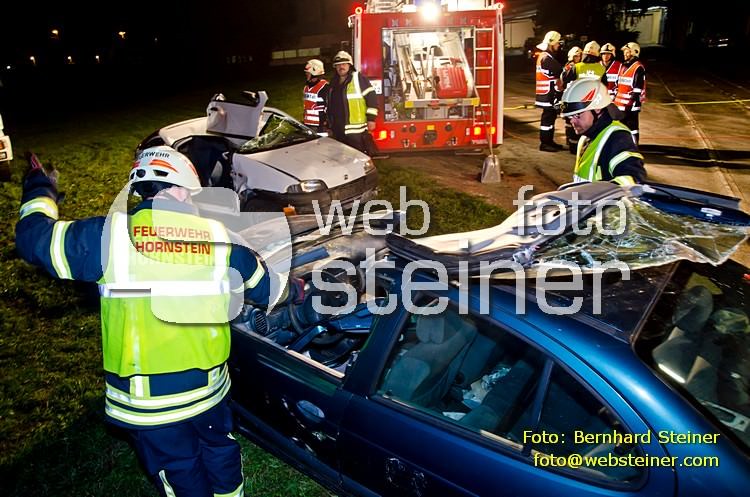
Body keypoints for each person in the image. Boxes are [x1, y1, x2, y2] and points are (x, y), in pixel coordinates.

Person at [15, 147, 298, 497]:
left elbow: (32, 238)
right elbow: (271, 289)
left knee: (179, 467)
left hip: (149, 403)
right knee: (219, 449)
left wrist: (40, 188)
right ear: (183, 189)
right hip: (208, 392)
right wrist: (302, 289)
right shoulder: (219, 237)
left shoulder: (107, 237)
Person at [560, 78, 647, 185]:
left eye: (577, 115)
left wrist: (606, 192)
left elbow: (633, 180)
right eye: (569, 117)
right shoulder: (586, 138)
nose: (572, 121)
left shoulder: (618, 138)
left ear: (597, 109)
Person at [326, 50, 378, 155]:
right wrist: (329, 124)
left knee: (357, 157)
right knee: (340, 157)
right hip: (338, 129)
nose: (341, 67)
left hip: (356, 131)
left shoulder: (359, 79)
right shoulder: (333, 82)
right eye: (338, 65)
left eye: (344, 64)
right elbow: (330, 104)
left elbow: (372, 99)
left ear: (350, 65)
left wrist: (371, 119)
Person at [534, 30, 564, 152]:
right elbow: (560, 71)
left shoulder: (546, 56)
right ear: (551, 44)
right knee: (547, 120)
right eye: (557, 43)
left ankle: (549, 142)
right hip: (548, 95)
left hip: (548, 94)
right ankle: (545, 143)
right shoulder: (546, 58)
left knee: (550, 119)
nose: (558, 46)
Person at [614, 42, 646, 144]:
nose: (625, 54)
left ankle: (634, 146)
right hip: (620, 106)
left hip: (630, 107)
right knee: (621, 128)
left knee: (632, 128)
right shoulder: (623, 66)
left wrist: (630, 104)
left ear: (633, 52)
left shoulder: (638, 68)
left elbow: (637, 89)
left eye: (627, 52)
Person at [561, 46, 583, 154]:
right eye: (576, 56)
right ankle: (571, 144)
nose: (577, 58)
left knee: (573, 121)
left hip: (575, 97)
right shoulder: (569, 67)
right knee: (569, 122)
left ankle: (572, 143)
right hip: (569, 98)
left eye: (579, 56)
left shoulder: (580, 66)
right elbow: (564, 80)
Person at [302, 58, 330, 136]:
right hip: (308, 125)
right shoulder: (306, 87)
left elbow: (330, 106)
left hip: (321, 127)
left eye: (308, 73)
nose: (306, 74)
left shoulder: (325, 87)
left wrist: (327, 123)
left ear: (314, 72)